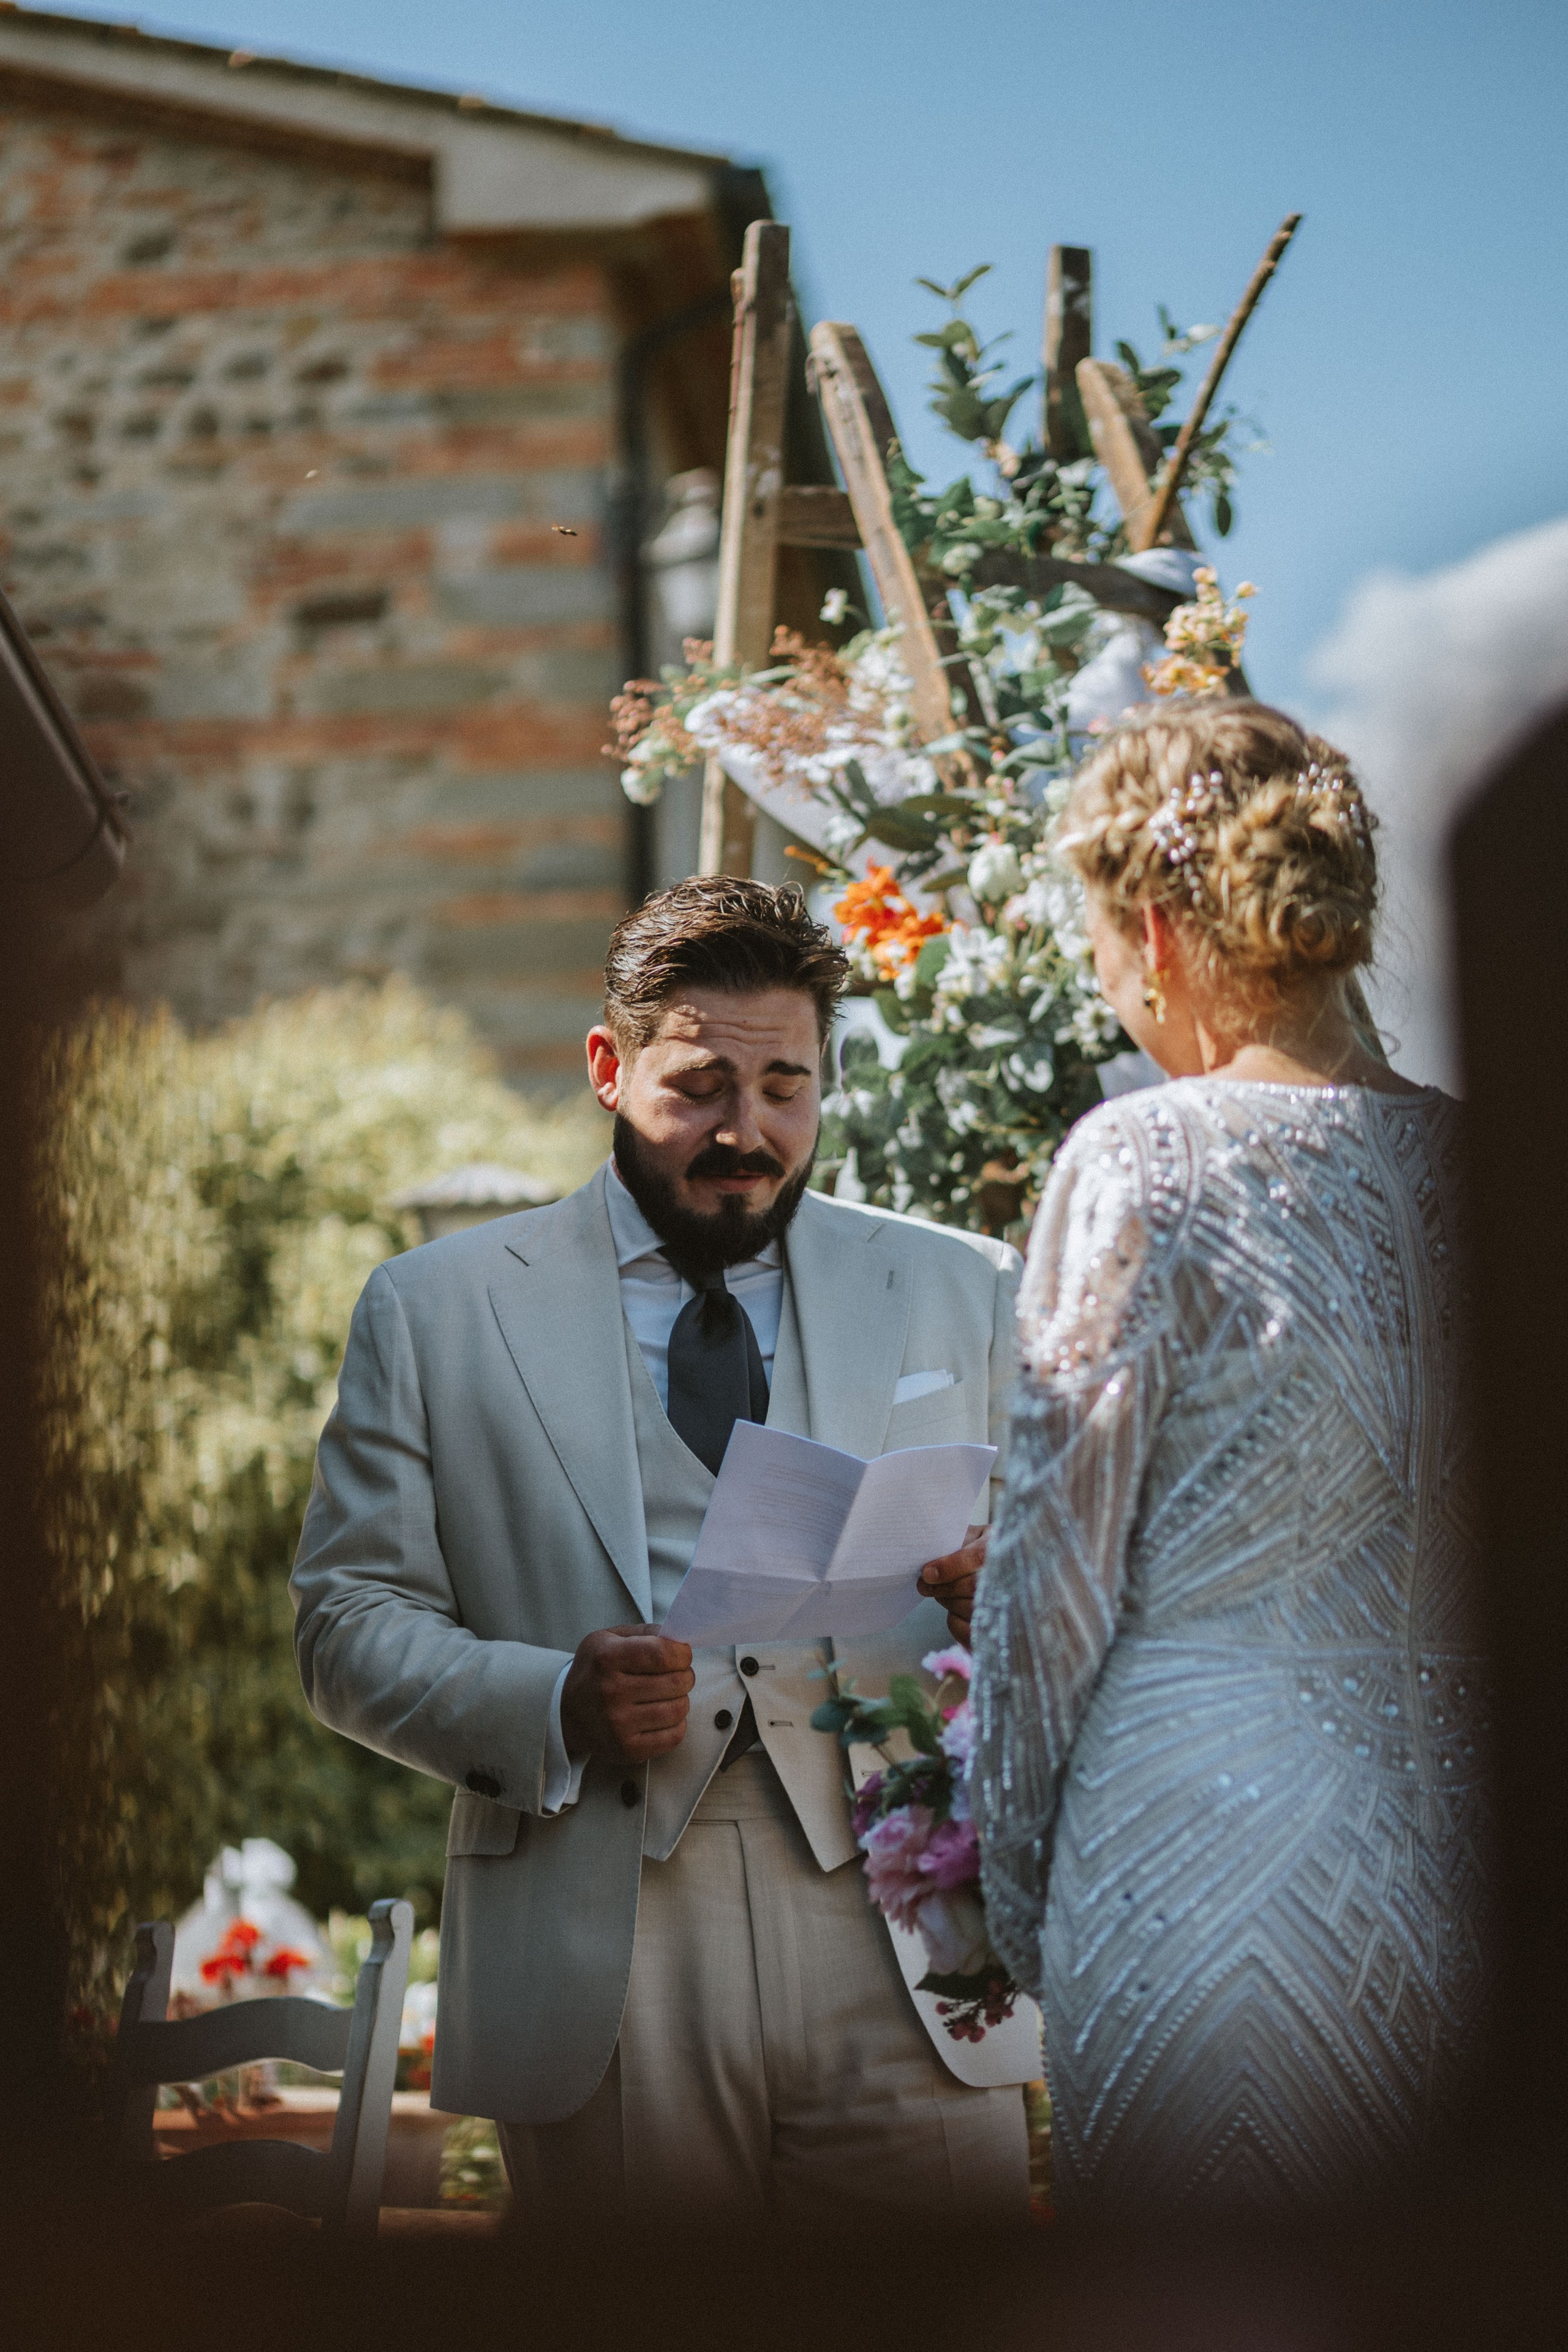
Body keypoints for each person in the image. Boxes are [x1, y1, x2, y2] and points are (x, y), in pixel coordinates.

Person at [292, 877, 1039, 2227]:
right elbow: (345, 1622)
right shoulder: (434, 1308)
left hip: (904, 1922)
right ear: (606, 1067)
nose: (745, 1131)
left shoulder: (962, 1286)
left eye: (784, 1088)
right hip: (603, 1928)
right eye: (698, 1086)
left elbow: (1073, 1586)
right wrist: (551, 1698)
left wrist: (1014, 1609)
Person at [969, 702, 1491, 2211]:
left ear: (1152, 927)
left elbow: (1042, 1598)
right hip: (1469, 1873)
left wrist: (1015, 1901)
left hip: (1191, 1856)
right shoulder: (1489, 1166)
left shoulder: (1138, 1158)